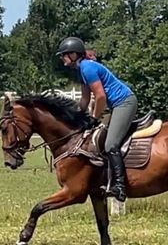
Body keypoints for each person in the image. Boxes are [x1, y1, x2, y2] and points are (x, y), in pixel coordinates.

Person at [56, 36, 138, 202]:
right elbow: (85, 99)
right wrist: (77, 118)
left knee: (110, 144)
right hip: (117, 105)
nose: (62, 58)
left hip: (125, 103)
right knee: (97, 138)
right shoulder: (82, 70)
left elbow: (100, 96)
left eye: (64, 54)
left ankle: (120, 187)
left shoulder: (87, 68)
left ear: (73, 55)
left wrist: (94, 118)